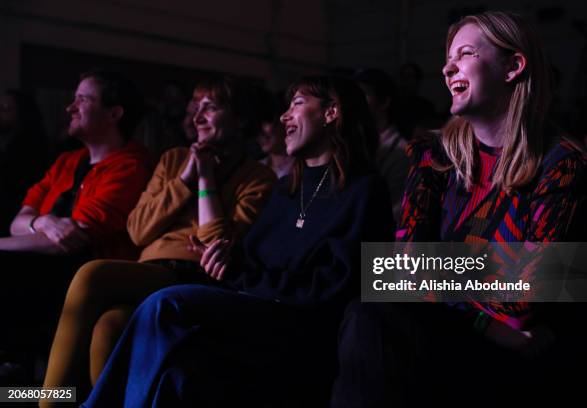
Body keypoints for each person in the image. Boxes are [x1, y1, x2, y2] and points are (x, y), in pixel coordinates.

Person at [332, 11, 587, 407]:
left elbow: (527, 293)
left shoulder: (563, 164)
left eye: (464, 54)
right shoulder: (433, 157)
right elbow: (395, 270)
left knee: (371, 316)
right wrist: (484, 318)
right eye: (448, 58)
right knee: (368, 311)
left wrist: (435, 276)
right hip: (476, 333)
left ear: (513, 67)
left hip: (515, 358)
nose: (447, 68)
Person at [81, 75, 394, 407]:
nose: (285, 117)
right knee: (178, 370)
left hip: (301, 325)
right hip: (258, 311)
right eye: (285, 107)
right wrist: (221, 257)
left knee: (166, 305)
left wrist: (241, 272)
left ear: (332, 113)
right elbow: (248, 260)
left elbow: (335, 286)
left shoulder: (364, 191)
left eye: (298, 105)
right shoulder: (286, 190)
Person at [42, 74, 277, 399]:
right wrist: (184, 181)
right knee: (108, 328)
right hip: (149, 271)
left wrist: (206, 178)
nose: (197, 116)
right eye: (196, 107)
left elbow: (215, 246)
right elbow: (137, 230)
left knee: (92, 274)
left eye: (210, 107)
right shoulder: (174, 160)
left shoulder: (259, 178)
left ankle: (48, 403)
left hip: (195, 277)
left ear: (240, 118)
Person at [0, 69, 151, 374]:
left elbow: (70, 242)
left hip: (84, 280)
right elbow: (18, 222)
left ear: (114, 113)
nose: (70, 108)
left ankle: (27, 391)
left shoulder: (131, 165)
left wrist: (36, 227)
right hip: (38, 273)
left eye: (82, 100)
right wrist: (43, 222)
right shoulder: (67, 161)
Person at [354, 68, 410, 222]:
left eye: (363, 95)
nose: (355, 102)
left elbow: (395, 210)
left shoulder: (401, 152)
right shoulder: (352, 143)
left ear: (385, 102)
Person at [0, 89, 49, 236]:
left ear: (22, 114)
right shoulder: (5, 143)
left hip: (16, 220)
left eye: (5, 109)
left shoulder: (30, 147)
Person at [255, 88, 294, 178]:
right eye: (256, 124)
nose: (260, 132)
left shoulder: (302, 168)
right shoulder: (256, 170)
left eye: (266, 121)